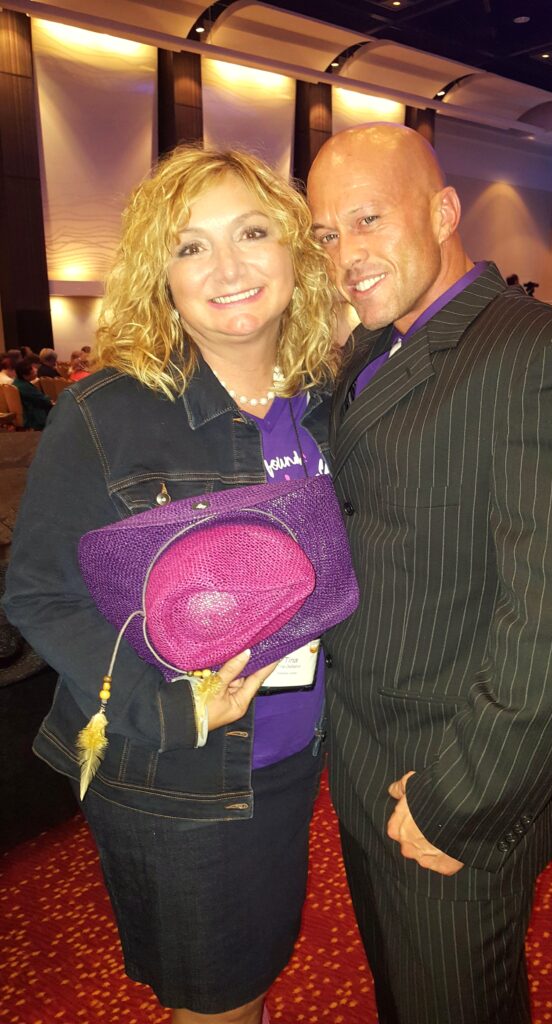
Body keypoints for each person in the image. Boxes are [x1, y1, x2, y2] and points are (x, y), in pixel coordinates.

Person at [4, 145, 340, 1024]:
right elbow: (38, 592)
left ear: (294, 252)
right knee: (217, 1002)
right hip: (179, 773)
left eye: (252, 233)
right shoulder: (106, 412)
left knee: (255, 975)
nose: (227, 267)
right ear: (163, 277)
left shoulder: (329, 399)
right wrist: (170, 707)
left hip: (299, 755)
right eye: (192, 246)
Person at [307, 123, 552, 1024]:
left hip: (446, 789)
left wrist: (457, 804)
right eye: (327, 235)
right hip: (363, 767)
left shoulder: (541, 355)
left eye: (368, 220)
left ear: (442, 213)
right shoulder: (370, 349)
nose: (345, 256)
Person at [13, 357, 52, 430]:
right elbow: (44, 400)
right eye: (33, 372)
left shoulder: (16, 382)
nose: (35, 371)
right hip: (34, 418)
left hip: (25, 415)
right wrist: (49, 399)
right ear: (25, 376)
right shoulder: (25, 387)